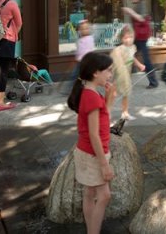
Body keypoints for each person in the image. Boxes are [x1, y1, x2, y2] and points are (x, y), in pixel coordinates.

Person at [67, 52, 117, 234]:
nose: (110, 74)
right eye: (108, 70)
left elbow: (103, 119)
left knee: (89, 193)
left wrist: (109, 99)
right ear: (96, 72)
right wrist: (104, 165)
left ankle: (91, 230)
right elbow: (94, 135)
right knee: (104, 196)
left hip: (86, 151)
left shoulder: (90, 93)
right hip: (93, 154)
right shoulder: (92, 97)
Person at [110, 25, 145, 127]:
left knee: (125, 94)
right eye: (125, 38)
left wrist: (139, 65)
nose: (128, 40)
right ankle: (107, 114)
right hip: (119, 75)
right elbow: (115, 62)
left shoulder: (132, 47)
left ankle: (125, 113)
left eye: (130, 37)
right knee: (113, 95)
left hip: (127, 74)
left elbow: (132, 58)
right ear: (121, 39)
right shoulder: (120, 49)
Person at [123, 0, 158, 89]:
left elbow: (141, 19)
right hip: (137, 36)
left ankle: (153, 82)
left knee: (145, 59)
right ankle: (125, 80)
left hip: (141, 37)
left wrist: (130, 12)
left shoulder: (142, 4)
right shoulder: (136, 5)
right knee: (129, 55)